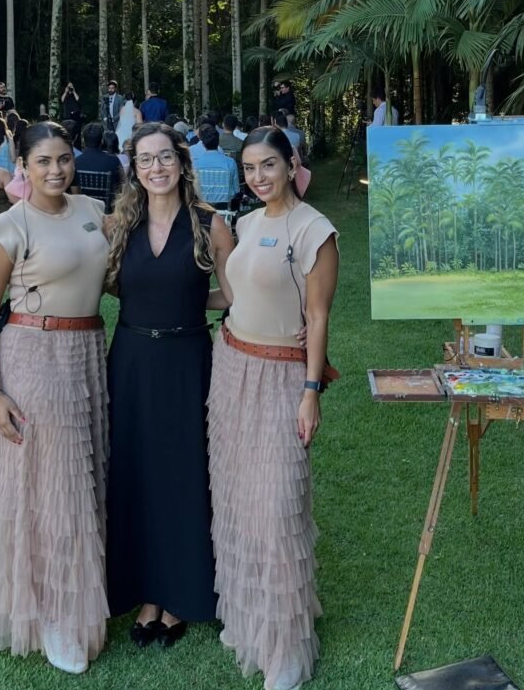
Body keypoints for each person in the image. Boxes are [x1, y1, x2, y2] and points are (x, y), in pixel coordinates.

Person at [0, 121, 110, 675]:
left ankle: (84, 598)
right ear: (22, 165)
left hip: (89, 353)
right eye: (44, 161)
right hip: (35, 354)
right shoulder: (7, 228)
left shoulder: (92, 211)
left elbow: (125, 276)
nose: (57, 170)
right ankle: (55, 614)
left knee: (85, 475)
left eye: (65, 159)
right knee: (55, 486)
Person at [208, 125, 339, 690]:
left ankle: (285, 646)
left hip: (284, 375)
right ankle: (248, 618)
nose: (258, 177)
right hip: (231, 367)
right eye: (249, 169)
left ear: (291, 164)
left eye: (268, 165)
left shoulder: (314, 231)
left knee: (278, 504)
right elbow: (236, 296)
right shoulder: (244, 223)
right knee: (237, 498)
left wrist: (310, 392)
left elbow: (319, 317)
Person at [105, 122, 234, 649]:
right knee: (135, 472)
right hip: (132, 360)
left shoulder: (210, 223)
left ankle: (180, 595)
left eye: (164, 158)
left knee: (183, 471)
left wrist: (185, 304)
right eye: (144, 160)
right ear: (133, 169)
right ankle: (146, 594)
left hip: (186, 360)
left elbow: (232, 296)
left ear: (182, 162)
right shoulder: (119, 223)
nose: (155, 168)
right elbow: (107, 284)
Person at [192, 125, 239, 207]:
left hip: (204, 209)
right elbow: (236, 190)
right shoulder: (230, 162)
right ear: (218, 142)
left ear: (202, 144)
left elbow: (193, 191)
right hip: (226, 209)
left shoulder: (195, 164)